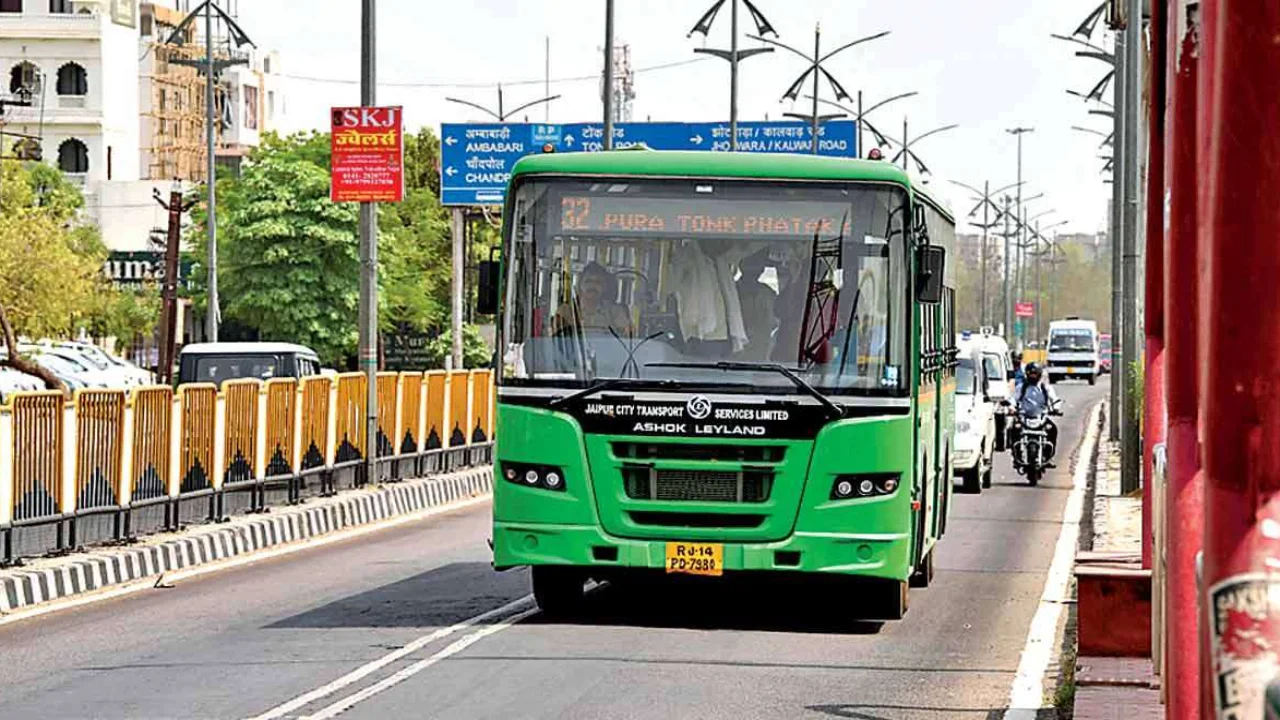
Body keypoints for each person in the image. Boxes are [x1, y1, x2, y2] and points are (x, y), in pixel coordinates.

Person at [551, 262, 633, 336]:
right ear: (580, 285)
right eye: (588, 281)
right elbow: (557, 340)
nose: (592, 286)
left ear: (604, 287)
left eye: (598, 282)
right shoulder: (566, 311)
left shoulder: (616, 312)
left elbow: (626, 338)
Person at [1010, 362, 1062, 467]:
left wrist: (1056, 409)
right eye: (1031, 374)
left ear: (1039, 374)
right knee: (1013, 430)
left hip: (1041, 417)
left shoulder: (1046, 388)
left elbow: (1055, 399)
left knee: (1052, 430)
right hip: (1024, 417)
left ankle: (1048, 456)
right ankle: (1016, 456)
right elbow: (1013, 399)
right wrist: (1011, 408)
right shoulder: (1021, 387)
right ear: (1027, 374)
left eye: (1035, 374)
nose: (1033, 376)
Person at [736, 249, 777, 361]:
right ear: (741, 266)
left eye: (758, 266)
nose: (755, 270)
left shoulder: (769, 293)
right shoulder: (732, 292)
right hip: (735, 353)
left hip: (761, 353)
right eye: (751, 265)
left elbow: (775, 320)